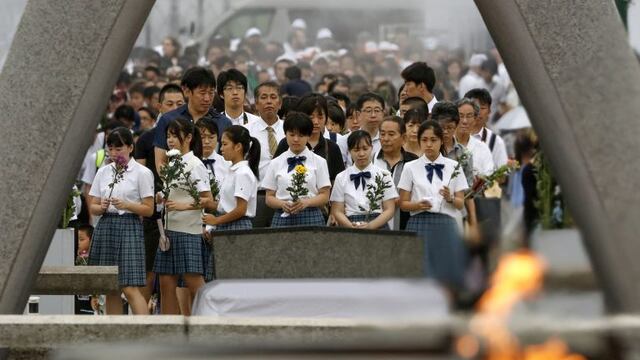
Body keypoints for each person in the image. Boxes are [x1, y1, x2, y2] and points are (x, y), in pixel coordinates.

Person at [88, 127, 154, 315]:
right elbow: (92, 205)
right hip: (106, 225)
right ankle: (115, 335)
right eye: (111, 149)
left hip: (129, 226)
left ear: (130, 148)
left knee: (129, 286)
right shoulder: (104, 171)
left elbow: (149, 209)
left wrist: (126, 205)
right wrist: (100, 207)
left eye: (119, 149)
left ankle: (145, 331)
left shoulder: (142, 172)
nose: (115, 153)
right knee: (111, 287)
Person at [153, 117, 213, 315]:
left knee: (194, 282)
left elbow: (208, 199)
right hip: (168, 231)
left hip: (188, 230)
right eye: (168, 136)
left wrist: (182, 205)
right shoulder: (172, 164)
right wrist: (162, 196)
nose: (170, 140)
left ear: (188, 137)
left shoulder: (195, 164)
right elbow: (176, 192)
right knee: (165, 283)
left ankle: (206, 326)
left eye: (174, 135)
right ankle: (169, 331)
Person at [398, 121, 469, 290]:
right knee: (418, 268)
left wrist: (450, 197)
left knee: (445, 268)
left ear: (441, 141)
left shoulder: (454, 166)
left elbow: (461, 204)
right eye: (424, 140)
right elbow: (403, 204)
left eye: (433, 140)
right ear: (419, 141)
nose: (429, 144)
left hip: (445, 222)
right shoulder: (410, 167)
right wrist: (417, 205)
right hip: (418, 222)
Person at [154, 66, 232, 175]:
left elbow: (229, 161)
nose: (207, 98)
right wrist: (176, 183)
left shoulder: (223, 122)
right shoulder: (169, 120)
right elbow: (161, 162)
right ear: (186, 91)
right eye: (202, 93)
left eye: (211, 93)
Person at [263, 112, 331, 227]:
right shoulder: (276, 162)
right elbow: (269, 197)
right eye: (292, 134)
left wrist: (306, 203)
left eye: (301, 135)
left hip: (311, 215)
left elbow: (325, 195)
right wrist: (282, 204)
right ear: (285, 134)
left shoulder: (319, 162)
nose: (296, 139)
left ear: (308, 136)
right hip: (283, 216)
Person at [331, 130, 397, 229]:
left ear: (372, 148)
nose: (361, 154)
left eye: (365, 149)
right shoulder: (341, 177)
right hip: (350, 224)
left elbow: (390, 209)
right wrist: (351, 226)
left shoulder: (384, 175)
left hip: (378, 224)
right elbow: (337, 210)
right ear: (349, 151)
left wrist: (371, 225)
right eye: (356, 150)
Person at [273, 94, 346, 182]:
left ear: (326, 118)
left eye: (320, 117)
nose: (316, 122)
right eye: (311, 117)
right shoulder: (287, 143)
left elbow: (339, 181)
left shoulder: (332, 148)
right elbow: (274, 175)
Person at [244, 81, 285, 228]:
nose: (269, 101)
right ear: (256, 104)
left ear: (280, 103)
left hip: (284, 198)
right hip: (257, 197)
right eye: (264, 97)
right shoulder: (245, 132)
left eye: (273, 97)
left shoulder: (290, 131)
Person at [202, 125, 260, 231]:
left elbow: (241, 210)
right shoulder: (233, 170)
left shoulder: (243, 173)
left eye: (225, 144)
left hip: (238, 225)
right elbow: (228, 206)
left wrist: (216, 220)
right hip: (227, 223)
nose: (221, 148)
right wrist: (209, 203)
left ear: (238, 146)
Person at [373, 116, 418, 230]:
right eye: (382, 134)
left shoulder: (413, 162)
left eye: (391, 134)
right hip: (376, 225)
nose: (386, 139)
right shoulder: (371, 161)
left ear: (403, 138)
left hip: (406, 224)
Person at [464, 88, 508, 168]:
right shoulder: (453, 137)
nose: (478, 112)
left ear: (489, 111)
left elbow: (502, 175)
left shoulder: (495, 141)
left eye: (483, 108)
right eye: (475, 107)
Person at [456, 98, 495, 177]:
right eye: (461, 116)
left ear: (475, 119)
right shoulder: (445, 144)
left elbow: (489, 176)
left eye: (469, 116)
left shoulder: (482, 148)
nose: (464, 121)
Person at [355, 92, 386, 158]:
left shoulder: (388, 140)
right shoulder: (347, 140)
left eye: (377, 110)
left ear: (383, 113)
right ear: (358, 114)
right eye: (368, 111)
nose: (373, 115)